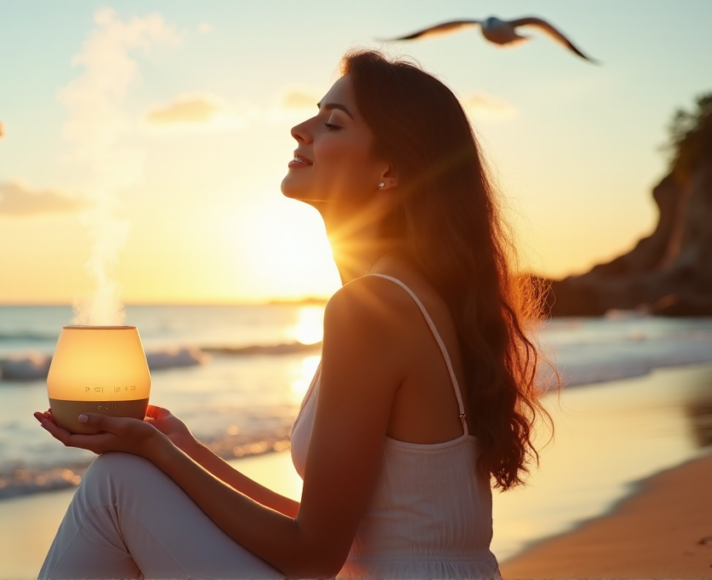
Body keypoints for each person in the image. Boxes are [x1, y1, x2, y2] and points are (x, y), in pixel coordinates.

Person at [33, 49, 550, 579]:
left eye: (332, 123)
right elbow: (331, 529)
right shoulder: (409, 297)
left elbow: (312, 556)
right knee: (124, 478)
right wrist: (184, 450)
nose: (300, 130)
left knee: (115, 486)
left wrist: (154, 452)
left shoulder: (373, 308)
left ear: (390, 169)